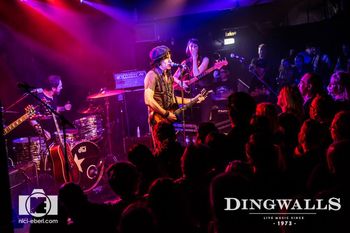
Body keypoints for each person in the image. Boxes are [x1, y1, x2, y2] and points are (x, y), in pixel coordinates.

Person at [144, 45, 205, 146]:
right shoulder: (152, 75)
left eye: (170, 57)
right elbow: (148, 100)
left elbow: (172, 98)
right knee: (161, 148)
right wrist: (166, 114)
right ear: (159, 61)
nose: (170, 60)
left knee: (171, 147)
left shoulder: (168, 76)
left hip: (167, 119)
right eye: (167, 58)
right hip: (158, 120)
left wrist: (192, 100)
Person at [29, 75, 72, 140]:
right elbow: (31, 118)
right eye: (60, 86)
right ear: (53, 88)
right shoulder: (39, 98)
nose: (62, 88)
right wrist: (42, 131)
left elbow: (53, 109)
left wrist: (64, 108)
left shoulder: (54, 96)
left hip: (54, 133)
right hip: (44, 138)